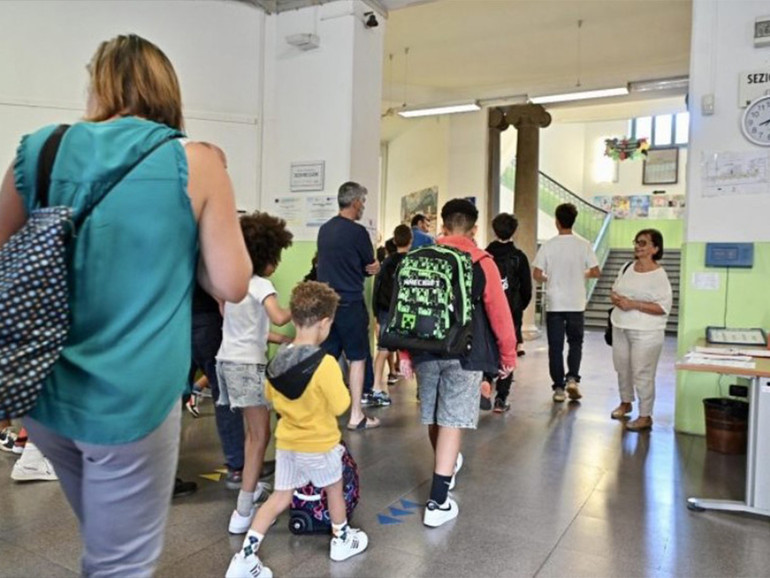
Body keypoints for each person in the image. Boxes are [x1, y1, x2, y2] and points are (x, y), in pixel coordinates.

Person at [0, 34, 252, 576]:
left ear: (99, 84)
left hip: (42, 393)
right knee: (121, 563)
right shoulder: (197, 161)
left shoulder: (40, 148)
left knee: (105, 536)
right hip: (131, 401)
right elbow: (231, 283)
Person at [226, 281, 368, 578]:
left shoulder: (277, 361)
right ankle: (341, 539)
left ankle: (245, 557)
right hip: (321, 445)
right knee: (334, 490)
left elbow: (271, 397)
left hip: (287, 445)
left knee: (278, 499)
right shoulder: (325, 364)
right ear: (325, 322)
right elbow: (341, 404)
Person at [400, 198, 517, 527]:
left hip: (425, 349)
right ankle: (437, 502)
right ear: (475, 229)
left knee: (435, 417)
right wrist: (507, 356)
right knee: (452, 420)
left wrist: (406, 355)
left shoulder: (420, 258)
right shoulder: (482, 261)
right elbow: (500, 314)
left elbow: (406, 308)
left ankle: (445, 466)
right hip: (465, 352)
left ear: (443, 227)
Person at [217, 212, 293, 534]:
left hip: (226, 362)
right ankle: (244, 512)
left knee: (252, 434)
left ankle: (251, 490)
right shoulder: (262, 284)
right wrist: (301, 306)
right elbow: (277, 317)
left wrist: (282, 340)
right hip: (247, 366)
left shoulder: (233, 284)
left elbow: (250, 328)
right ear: (268, 256)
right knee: (260, 436)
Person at [316, 181, 380, 430]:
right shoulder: (358, 232)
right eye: (362, 201)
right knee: (357, 358)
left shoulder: (324, 229)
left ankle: (323, 413)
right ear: (354, 203)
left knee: (327, 358)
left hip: (325, 305)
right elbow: (369, 264)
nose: (363, 206)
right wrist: (374, 267)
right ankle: (356, 415)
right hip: (351, 302)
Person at [533, 203, 600, 403]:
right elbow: (596, 271)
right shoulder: (584, 244)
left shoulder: (549, 245)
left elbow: (537, 274)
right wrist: (582, 274)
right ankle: (572, 379)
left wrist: (550, 279)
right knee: (576, 343)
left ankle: (559, 389)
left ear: (557, 221)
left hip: (555, 303)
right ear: (573, 220)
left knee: (555, 347)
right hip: (576, 303)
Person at [610, 229, 672, 431]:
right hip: (620, 326)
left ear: (655, 249)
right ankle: (625, 402)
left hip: (646, 332)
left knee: (642, 373)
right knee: (622, 368)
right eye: (636, 242)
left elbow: (663, 307)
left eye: (643, 243)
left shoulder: (659, 275)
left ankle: (645, 415)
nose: (638, 246)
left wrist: (633, 304)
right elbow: (615, 290)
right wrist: (617, 300)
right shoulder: (627, 267)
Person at [189, 284, 246, 489]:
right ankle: (237, 466)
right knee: (224, 393)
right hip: (205, 316)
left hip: (173, 317)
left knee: (165, 399)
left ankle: (159, 476)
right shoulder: (202, 252)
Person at [485, 212, 533, 412]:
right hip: (510, 313)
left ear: (494, 230)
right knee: (508, 352)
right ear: (514, 231)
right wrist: (517, 307)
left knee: (487, 348)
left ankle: (485, 383)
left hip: (487, 311)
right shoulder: (519, 257)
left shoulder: (485, 255)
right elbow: (527, 290)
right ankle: (501, 399)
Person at [371, 224, 413, 406]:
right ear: (411, 241)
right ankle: (421, 392)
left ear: (394, 241)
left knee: (382, 350)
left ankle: (375, 387)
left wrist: (377, 315)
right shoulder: (412, 261)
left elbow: (377, 290)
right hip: (406, 311)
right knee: (415, 349)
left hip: (386, 310)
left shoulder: (386, 263)